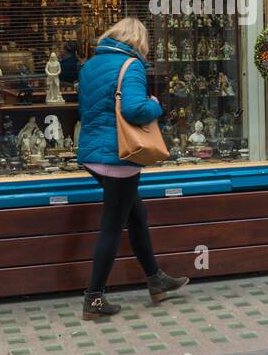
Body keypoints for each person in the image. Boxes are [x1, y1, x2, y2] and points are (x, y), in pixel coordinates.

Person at [76, 18, 188, 320]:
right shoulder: (131, 66)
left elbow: (85, 109)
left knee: (136, 214)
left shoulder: (89, 65)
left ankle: (155, 280)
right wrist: (155, 103)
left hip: (94, 155)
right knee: (112, 226)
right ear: (138, 41)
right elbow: (135, 110)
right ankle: (94, 299)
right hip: (120, 157)